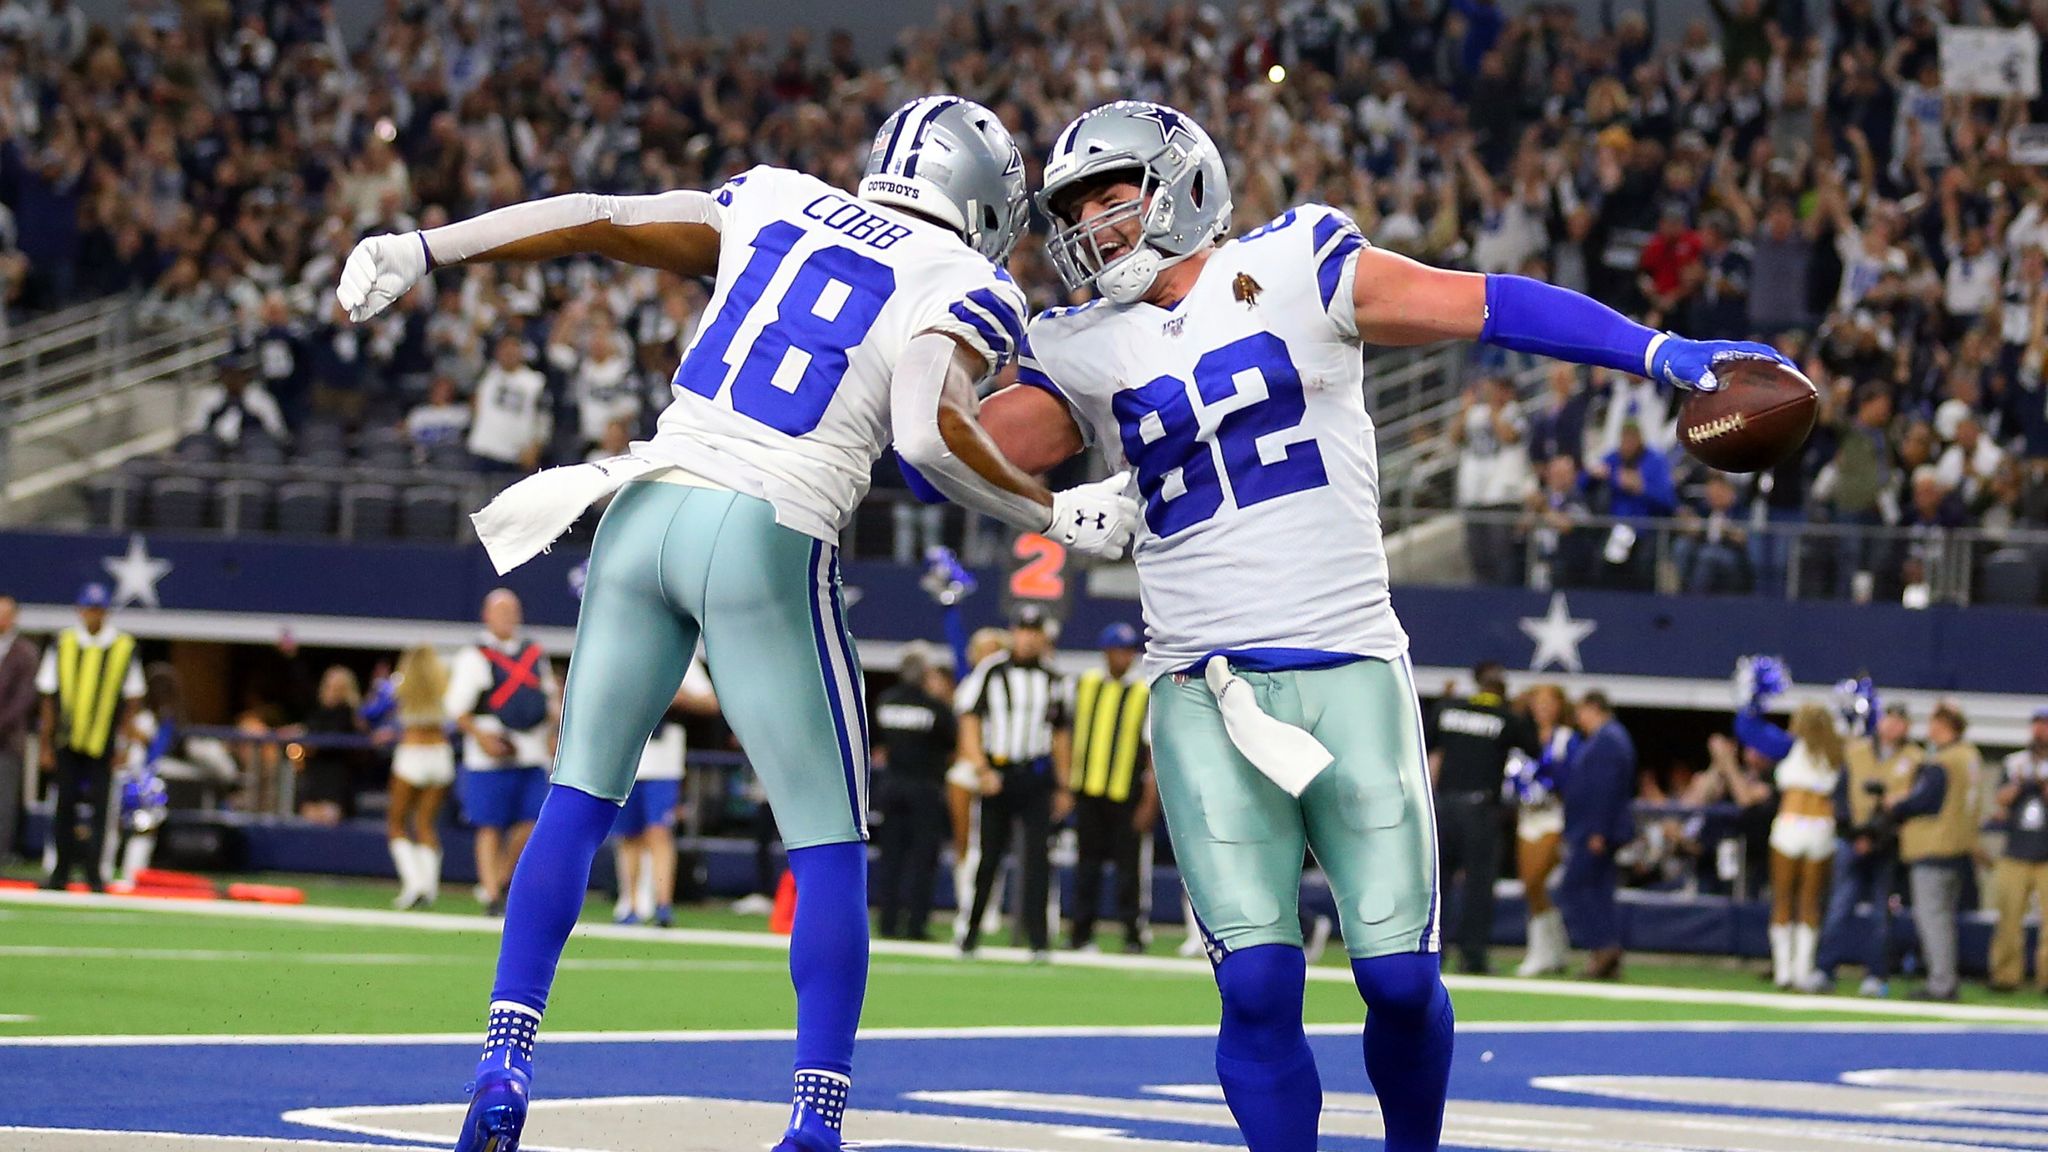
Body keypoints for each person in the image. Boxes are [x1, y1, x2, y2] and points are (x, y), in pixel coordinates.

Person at [965, 98, 1791, 1152]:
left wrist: (1655, 351)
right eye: (1072, 207)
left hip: (1347, 661)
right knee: (1257, 984)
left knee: (1397, 978)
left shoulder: (1299, 260)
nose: (1090, 224)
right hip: (1198, 686)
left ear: (1184, 184)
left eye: (1107, 195)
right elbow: (950, 449)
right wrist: (1020, 468)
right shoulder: (1074, 345)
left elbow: (1484, 303)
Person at [336, 95, 1137, 1152]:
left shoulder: (775, 197)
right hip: (768, 530)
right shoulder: (966, 280)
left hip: (640, 513)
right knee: (830, 846)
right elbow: (926, 439)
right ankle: (815, 1116)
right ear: (981, 198)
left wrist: (423, 245)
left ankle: (504, 1055)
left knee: (575, 802)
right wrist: (1053, 512)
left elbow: (597, 216)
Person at [956, 605, 1073, 961]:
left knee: (1038, 859)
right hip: (998, 774)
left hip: (1035, 777)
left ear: (1043, 637)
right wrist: (981, 769)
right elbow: (969, 720)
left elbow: (1061, 735)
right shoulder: (991, 671)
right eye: (1023, 630)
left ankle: (1038, 941)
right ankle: (970, 933)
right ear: (1014, 632)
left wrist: (1064, 786)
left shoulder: (1054, 678)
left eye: (1034, 631)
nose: (1028, 637)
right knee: (989, 856)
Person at [1730, 660, 1844, 991]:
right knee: (1809, 901)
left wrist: (1750, 700)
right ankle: (1803, 970)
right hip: (1821, 828)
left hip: (1791, 826)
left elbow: (1747, 728)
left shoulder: (1788, 747)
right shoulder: (1838, 754)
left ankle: (1783, 971)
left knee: (1782, 898)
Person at [445, 589, 559, 917]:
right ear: (487, 615)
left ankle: (503, 877)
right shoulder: (474, 655)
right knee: (489, 824)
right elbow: (457, 707)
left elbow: (548, 699)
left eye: (513, 611)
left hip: (531, 750)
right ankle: (492, 893)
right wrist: (482, 738)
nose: (508, 618)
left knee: (531, 820)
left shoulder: (533, 653)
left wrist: (554, 732)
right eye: (501, 611)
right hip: (490, 755)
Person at [35, 583, 144, 892]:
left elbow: (133, 699)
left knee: (102, 810)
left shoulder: (123, 646)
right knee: (64, 806)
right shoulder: (64, 643)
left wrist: (124, 743)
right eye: (88, 608)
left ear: (105, 611)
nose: (93, 615)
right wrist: (46, 743)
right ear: (79, 610)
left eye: (98, 609)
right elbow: (47, 696)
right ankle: (60, 871)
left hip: (104, 741)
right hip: (68, 740)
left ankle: (96, 872)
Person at [1427, 659, 1531, 975]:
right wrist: (1520, 713)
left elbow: (1427, 743)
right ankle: (1472, 957)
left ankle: (1433, 952)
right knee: (1479, 885)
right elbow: (1534, 748)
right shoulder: (1505, 716)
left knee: (1437, 885)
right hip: (1479, 810)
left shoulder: (1448, 708)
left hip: (1445, 807)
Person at [1814, 698, 1919, 997]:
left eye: (1900, 721)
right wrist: (1853, 833)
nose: (1893, 726)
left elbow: (1909, 804)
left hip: (1887, 844)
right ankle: (1824, 969)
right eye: (1889, 719)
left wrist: (1876, 836)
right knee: (1838, 907)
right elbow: (1841, 796)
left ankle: (1876, 975)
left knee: (1880, 914)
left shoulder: (1915, 758)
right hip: (1852, 839)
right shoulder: (1857, 750)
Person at [1068, 621, 1160, 954]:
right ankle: (1080, 932)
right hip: (1088, 788)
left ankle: (1133, 933)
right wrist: (1065, 783)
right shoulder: (1085, 683)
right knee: (1086, 865)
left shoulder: (1143, 691)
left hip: (1126, 793)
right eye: (1118, 650)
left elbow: (1152, 751)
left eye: (1128, 650)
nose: (1124, 657)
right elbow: (1065, 733)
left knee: (1128, 869)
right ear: (1106, 652)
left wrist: (1150, 801)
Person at [1883, 703, 1981, 1002]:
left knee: (1933, 918)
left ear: (1943, 725)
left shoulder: (1944, 761)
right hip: (1959, 846)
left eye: (1933, 722)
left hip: (1934, 846)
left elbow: (1924, 800)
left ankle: (1941, 982)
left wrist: (1897, 802)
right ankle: (1946, 978)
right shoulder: (1971, 756)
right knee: (1944, 918)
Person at [613, 654, 717, 927]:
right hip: (627, 756)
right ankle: (630, 903)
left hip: (663, 763)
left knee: (659, 831)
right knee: (629, 835)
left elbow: (709, 701)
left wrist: (676, 697)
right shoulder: (623, 653)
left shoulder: (680, 655)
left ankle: (663, 904)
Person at [871, 645, 958, 942]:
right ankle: (916, 924)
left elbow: (879, 743)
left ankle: (887, 922)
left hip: (892, 787)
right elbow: (951, 743)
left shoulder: (885, 701)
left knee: (891, 858)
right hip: (924, 789)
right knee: (923, 860)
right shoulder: (935, 709)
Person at [1559, 691, 1636, 981]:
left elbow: (1606, 790)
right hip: (1594, 829)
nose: (1578, 717)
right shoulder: (1608, 738)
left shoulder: (1608, 741)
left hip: (1595, 831)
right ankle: (1608, 953)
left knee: (1575, 887)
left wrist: (1598, 831)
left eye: (1582, 711)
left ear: (1594, 708)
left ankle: (1603, 948)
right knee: (1600, 890)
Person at [948, 625, 1010, 946]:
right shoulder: (970, 682)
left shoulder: (1008, 679)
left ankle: (987, 909)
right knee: (963, 845)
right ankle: (965, 905)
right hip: (967, 767)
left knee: (987, 844)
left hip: (995, 765)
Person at [1513, 683, 1579, 976]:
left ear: (1559, 706)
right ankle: (1554, 949)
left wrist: (1546, 786)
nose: (1542, 707)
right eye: (1537, 702)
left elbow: (1572, 778)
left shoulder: (1567, 738)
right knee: (1531, 887)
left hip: (1555, 815)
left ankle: (1542, 952)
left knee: (1534, 880)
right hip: (1527, 816)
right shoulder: (1522, 736)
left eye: (1548, 702)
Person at [388, 646, 455, 911]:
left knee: (396, 823)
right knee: (426, 822)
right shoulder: (444, 683)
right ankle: (428, 887)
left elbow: (373, 712)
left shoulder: (400, 685)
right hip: (440, 753)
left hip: (412, 753)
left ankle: (414, 884)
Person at [1988, 708, 2048, 993]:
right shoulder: (2016, 763)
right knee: (2009, 919)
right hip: (2016, 851)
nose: (2040, 731)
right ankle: (2005, 976)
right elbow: (2000, 800)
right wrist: (2020, 784)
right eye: (2037, 724)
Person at [0, 595, 37, 866]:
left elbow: (24, 699)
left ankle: (2, 852)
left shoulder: (25, 652)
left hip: (7, 739)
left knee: (4, 798)